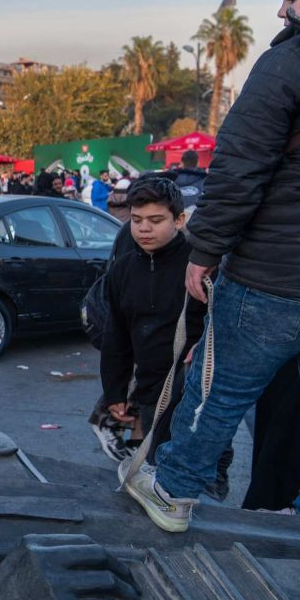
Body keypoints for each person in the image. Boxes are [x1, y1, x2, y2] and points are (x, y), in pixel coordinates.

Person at [126, 0, 300, 591]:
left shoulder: (292, 61)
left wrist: (204, 250)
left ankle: (172, 492)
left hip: (273, 271)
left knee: (219, 392)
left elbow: (239, 168)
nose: (282, 10)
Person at [98, 179, 207, 463]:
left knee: (198, 472)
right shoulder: (122, 269)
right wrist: (114, 391)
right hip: (149, 395)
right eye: (136, 220)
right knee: (153, 467)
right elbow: (117, 334)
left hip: (196, 395)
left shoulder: (198, 266)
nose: (144, 228)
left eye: (155, 220)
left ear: (179, 220)